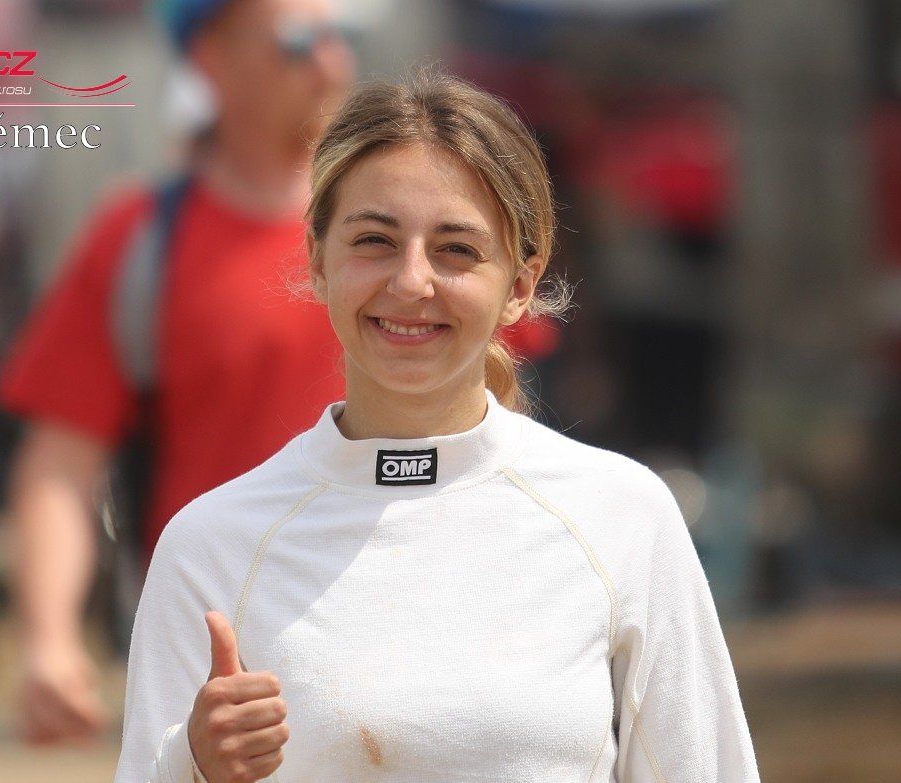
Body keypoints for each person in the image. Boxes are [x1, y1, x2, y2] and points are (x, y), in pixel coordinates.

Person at [116, 70, 759, 783]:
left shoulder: (623, 516)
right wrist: (191, 764)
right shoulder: (210, 545)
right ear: (318, 262)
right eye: (374, 240)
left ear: (520, 286)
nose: (411, 282)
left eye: (456, 249)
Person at [0, 0, 357, 745]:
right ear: (210, 60)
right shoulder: (139, 240)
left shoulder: (413, 229)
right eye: (297, 43)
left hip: (404, 636)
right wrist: (50, 638)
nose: (330, 63)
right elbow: (60, 466)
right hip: (213, 673)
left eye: (338, 36)